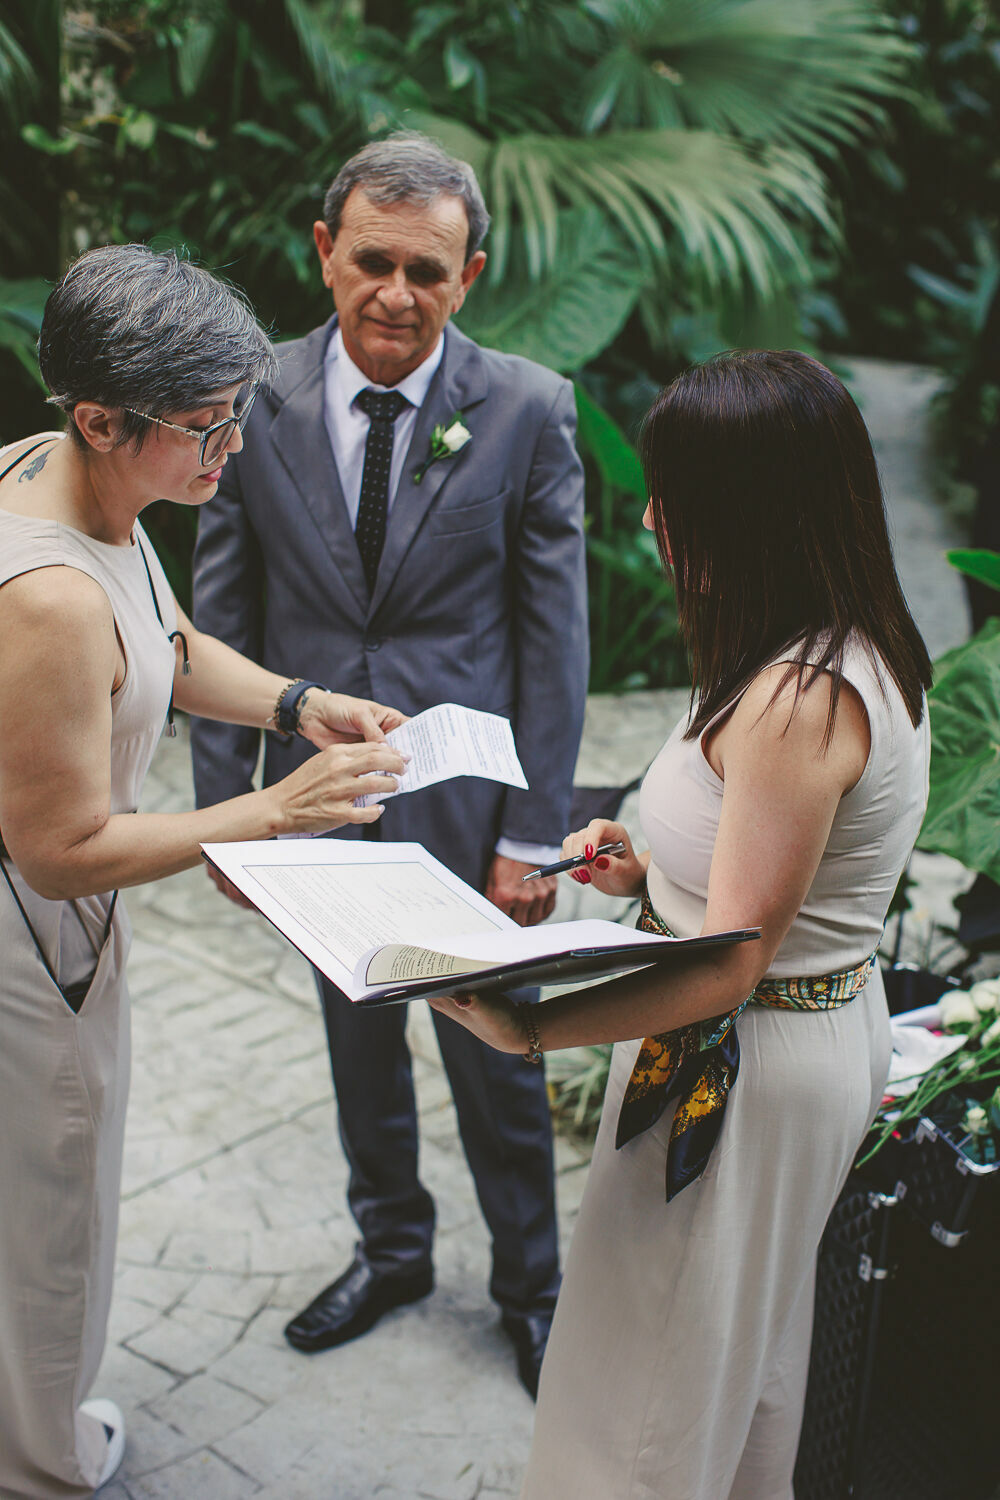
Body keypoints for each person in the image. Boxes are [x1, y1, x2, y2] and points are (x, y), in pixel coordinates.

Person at [431, 350, 934, 1499]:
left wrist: (527, 1029)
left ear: (753, 512)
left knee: (650, 1388)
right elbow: (771, 892)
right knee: (725, 1355)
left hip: (738, 1058)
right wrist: (643, 874)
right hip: (781, 1031)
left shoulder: (799, 697)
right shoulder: (835, 639)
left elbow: (733, 962)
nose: (652, 518)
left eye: (676, 496)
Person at [0, 243, 408, 1500]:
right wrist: (270, 815)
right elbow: (60, 851)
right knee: (50, 1212)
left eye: (236, 418)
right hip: (29, 946)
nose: (229, 451)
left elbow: (168, 643)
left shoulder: (68, 481)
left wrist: (298, 704)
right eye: (204, 429)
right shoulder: (48, 599)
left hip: (48, 919)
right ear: (100, 418)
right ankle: (47, 1460)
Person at [190, 133, 588, 1395]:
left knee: (492, 1056)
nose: (396, 295)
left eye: (428, 268)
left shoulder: (527, 407)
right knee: (353, 1040)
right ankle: (393, 1250)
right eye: (372, 261)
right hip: (312, 804)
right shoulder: (252, 402)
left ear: (469, 273)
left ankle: (533, 1288)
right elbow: (217, 622)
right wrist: (232, 820)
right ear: (325, 252)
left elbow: (552, 638)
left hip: (469, 810)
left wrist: (534, 832)